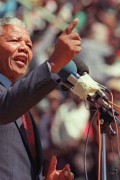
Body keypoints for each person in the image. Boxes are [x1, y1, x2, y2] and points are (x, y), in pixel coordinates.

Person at [0, 16, 81, 179]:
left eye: (29, 45)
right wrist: (53, 63)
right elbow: (4, 108)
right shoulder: (12, 103)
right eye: (15, 40)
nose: (24, 48)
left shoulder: (24, 111)